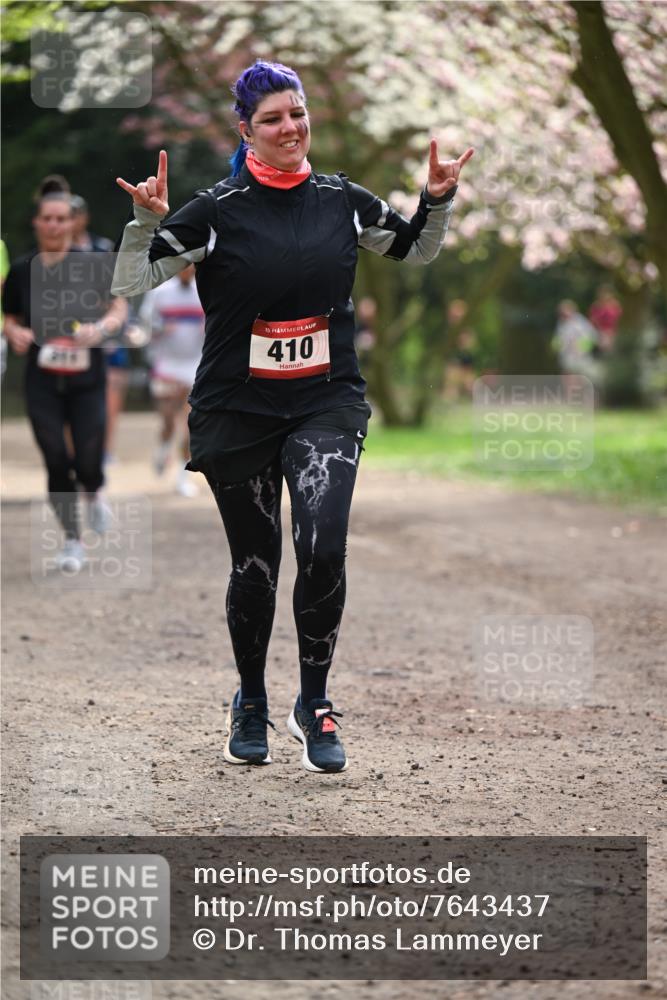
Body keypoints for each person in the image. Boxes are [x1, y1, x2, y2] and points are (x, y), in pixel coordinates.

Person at [112, 59, 473, 772]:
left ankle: (314, 702)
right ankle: (250, 699)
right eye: (272, 119)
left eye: (297, 113)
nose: (290, 128)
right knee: (256, 564)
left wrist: (435, 201)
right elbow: (131, 280)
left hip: (324, 401)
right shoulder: (216, 208)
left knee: (323, 547)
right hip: (236, 408)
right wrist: (144, 223)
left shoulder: (341, 199)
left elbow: (412, 249)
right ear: (245, 130)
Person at [2, 186, 127, 573]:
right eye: (48, 218)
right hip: (43, 380)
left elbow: (118, 307)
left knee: (88, 459)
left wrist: (102, 327)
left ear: (73, 222)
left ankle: (94, 491)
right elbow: (10, 317)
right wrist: (14, 332)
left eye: (62, 218)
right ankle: (72, 540)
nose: (55, 225)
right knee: (56, 457)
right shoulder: (23, 268)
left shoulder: (92, 262)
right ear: (37, 222)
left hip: (87, 378)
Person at [139, 263, 205, 496]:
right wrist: (159, 329)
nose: (187, 270)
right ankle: (163, 447)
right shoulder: (160, 292)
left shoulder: (205, 290)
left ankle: (181, 476)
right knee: (168, 421)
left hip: (194, 365)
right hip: (166, 365)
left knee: (189, 424)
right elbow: (145, 324)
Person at [553, 299, 599, 382]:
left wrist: (581, 347)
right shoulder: (561, 322)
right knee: (567, 375)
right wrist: (559, 346)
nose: (563, 314)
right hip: (566, 355)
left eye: (565, 311)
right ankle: (569, 393)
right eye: (561, 312)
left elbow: (592, 336)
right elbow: (559, 338)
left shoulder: (580, 321)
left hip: (581, 356)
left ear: (572, 310)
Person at [588, 284, 622, 354]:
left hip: (611, 333)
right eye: (602, 293)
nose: (603, 295)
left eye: (606, 293)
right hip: (598, 332)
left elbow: (617, 318)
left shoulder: (615, 305)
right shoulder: (596, 305)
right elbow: (592, 320)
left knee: (608, 351)